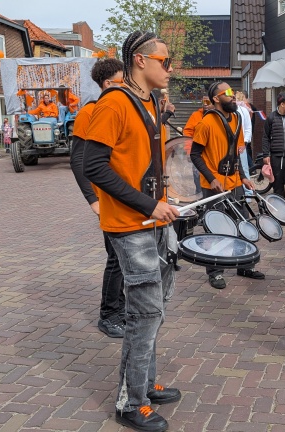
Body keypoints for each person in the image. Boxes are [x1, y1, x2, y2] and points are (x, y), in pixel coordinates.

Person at [83, 30, 181, 432]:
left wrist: (169, 193)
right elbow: (93, 166)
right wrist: (148, 204)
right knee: (145, 312)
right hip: (130, 224)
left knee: (154, 310)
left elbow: (150, 164)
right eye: (165, 61)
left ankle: (142, 383)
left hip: (153, 220)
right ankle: (130, 402)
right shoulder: (115, 103)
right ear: (140, 60)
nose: (171, 68)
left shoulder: (151, 103)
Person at [70, 58, 127, 339]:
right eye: (121, 80)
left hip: (123, 198)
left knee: (125, 258)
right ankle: (108, 314)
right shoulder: (89, 113)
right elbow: (78, 160)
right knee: (115, 258)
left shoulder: (122, 108)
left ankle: (122, 306)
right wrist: (92, 199)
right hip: (106, 199)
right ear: (108, 84)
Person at [190, 81, 264, 289]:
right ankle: (215, 271)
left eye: (233, 92)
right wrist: (210, 178)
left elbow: (236, 153)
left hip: (233, 182)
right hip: (213, 185)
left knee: (243, 221)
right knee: (216, 227)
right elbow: (195, 155)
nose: (233, 96)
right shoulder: (206, 124)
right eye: (228, 93)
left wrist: (242, 176)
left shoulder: (237, 119)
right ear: (216, 98)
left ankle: (244, 264)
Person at [261, 92, 285, 203]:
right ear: (282, 104)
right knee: (277, 183)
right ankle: (281, 207)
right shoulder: (271, 117)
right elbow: (265, 137)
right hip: (276, 156)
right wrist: (265, 154)